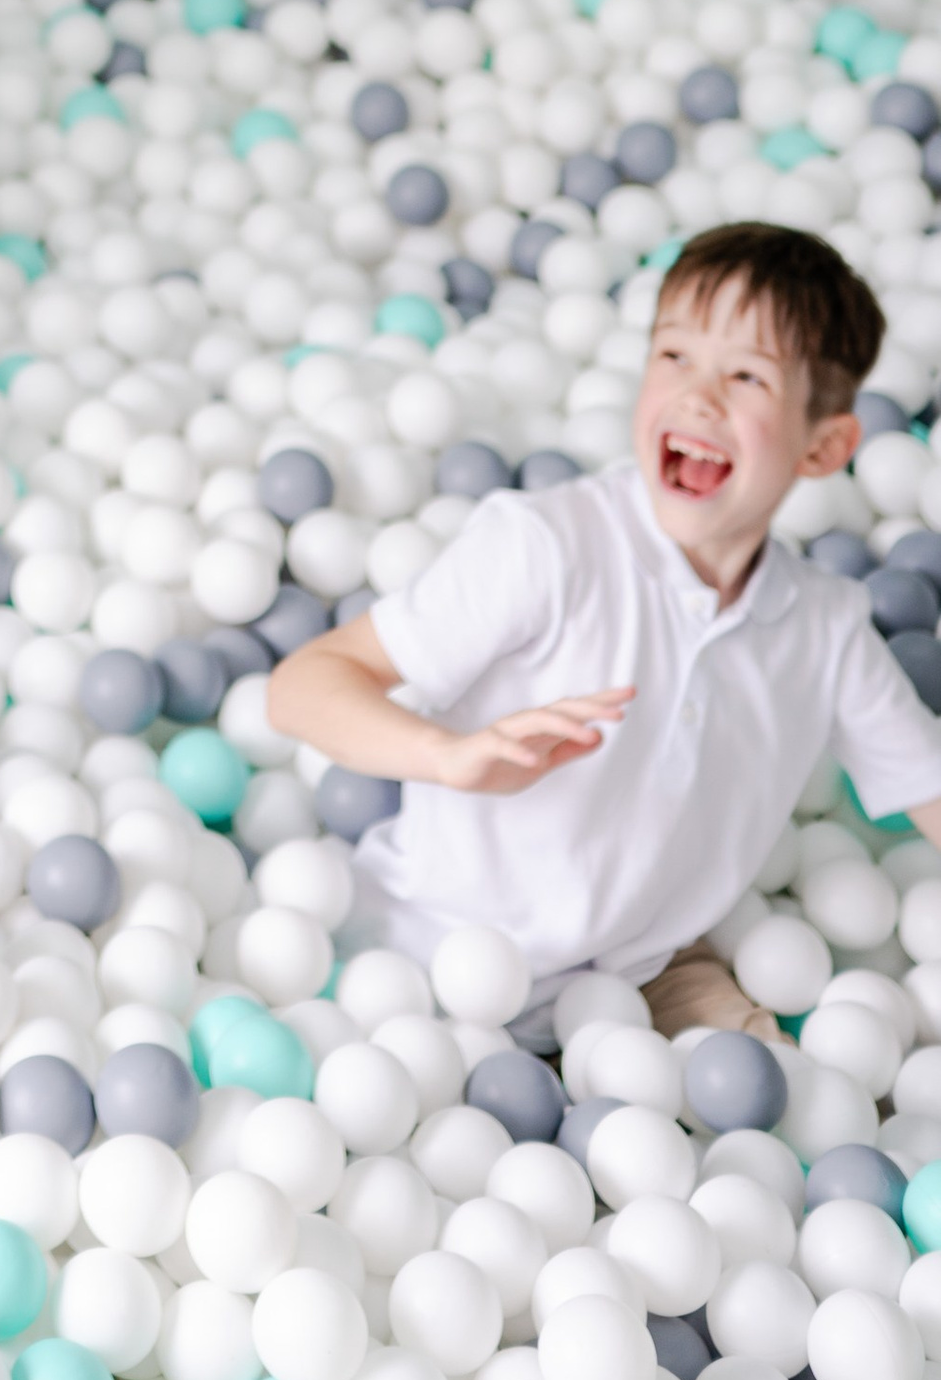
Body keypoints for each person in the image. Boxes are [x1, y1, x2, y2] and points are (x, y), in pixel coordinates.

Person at [267, 221, 941, 1026]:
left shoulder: (824, 628)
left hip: (640, 976)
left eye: (747, 376)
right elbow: (299, 687)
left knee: (767, 1085)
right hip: (433, 961)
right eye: (674, 355)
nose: (698, 395)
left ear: (824, 449)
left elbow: (928, 789)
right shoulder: (548, 545)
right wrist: (447, 755)